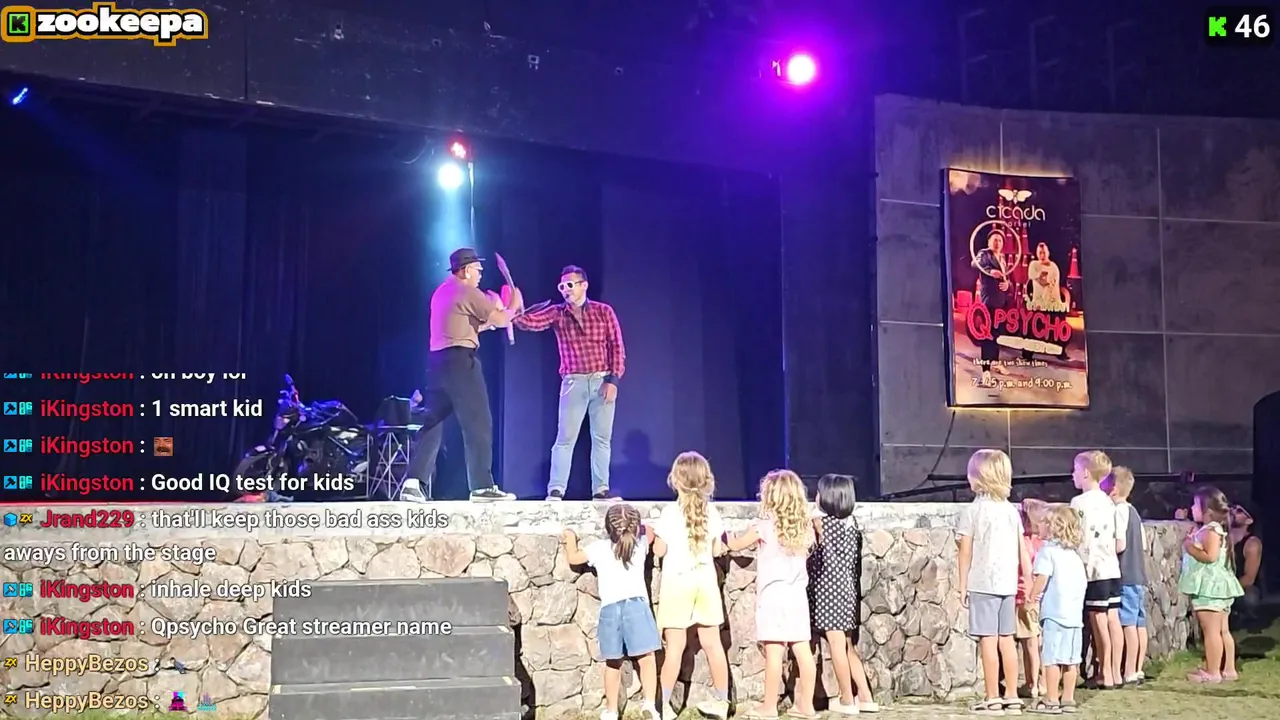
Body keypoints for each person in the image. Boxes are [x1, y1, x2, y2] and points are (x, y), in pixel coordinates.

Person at [410, 248, 520, 501]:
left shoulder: (441, 292)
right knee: (478, 421)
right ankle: (482, 486)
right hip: (461, 361)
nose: (481, 275)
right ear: (467, 270)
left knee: (433, 422)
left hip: (437, 363)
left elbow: (467, 325)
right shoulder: (468, 291)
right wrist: (513, 305)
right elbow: (501, 319)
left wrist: (490, 322)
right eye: (478, 270)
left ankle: (413, 483)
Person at [513, 265, 626, 501]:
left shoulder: (603, 312)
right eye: (562, 286)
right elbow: (532, 322)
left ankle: (601, 490)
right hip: (573, 382)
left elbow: (617, 347)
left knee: (602, 439)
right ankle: (556, 490)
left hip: (601, 381)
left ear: (584, 285)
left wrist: (613, 380)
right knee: (565, 439)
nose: (566, 290)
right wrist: (514, 313)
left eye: (570, 285)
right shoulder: (558, 313)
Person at [725, 470, 818, 720]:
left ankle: (769, 707)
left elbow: (735, 544)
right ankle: (806, 706)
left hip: (773, 597)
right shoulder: (806, 529)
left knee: (774, 653)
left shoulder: (763, 528)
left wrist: (723, 537)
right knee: (803, 651)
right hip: (797, 597)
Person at [649, 452, 731, 720]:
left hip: (677, 584)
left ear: (675, 480)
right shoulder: (712, 512)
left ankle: (664, 707)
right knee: (713, 644)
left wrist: (652, 537)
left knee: (675, 647)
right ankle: (721, 701)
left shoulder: (670, 513)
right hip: (705, 583)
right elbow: (717, 549)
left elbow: (659, 550)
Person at [560, 504, 660, 720]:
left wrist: (570, 537)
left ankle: (611, 710)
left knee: (613, 663)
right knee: (647, 658)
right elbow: (651, 531)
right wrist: (641, 529)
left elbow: (574, 558)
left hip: (610, 610)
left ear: (608, 527)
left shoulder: (599, 548)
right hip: (636, 606)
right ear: (635, 527)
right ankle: (650, 704)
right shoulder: (639, 544)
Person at [956, 449, 1031, 715]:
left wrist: (962, 585)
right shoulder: (1011, 511)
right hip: (1007, 585)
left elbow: (965, 552)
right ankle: (1011, 694)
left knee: (988, 640)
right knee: (1007, 639)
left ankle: (992, 696)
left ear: (979, 477)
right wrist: (1028, 578)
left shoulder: (973, 511)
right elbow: (1023, 549)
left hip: (982, 584)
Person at [807, 474, 878, 715]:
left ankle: (847, 698)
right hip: (846, 593)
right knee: (848, 646)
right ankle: (865, 697)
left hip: (829, 594)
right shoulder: (851, 525)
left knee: (837, 646)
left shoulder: (823, 525)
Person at [1068, 450, 1123, 688]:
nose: (1072, 475)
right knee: (1113, 619)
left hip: (1093, 570)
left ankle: (1105, 673)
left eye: (1075, 470)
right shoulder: (1109, 502)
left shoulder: (1079, 503)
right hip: (1111, 568)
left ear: (1086, 473)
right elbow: (1119, 540)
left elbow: (1077, 535)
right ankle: (1116, 672)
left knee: (1099, 622)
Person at [1179, 486, 1245, 684]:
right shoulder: (1214, 529)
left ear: (1207, 511)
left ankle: (1213, 671)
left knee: (1211, 631)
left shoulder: (1211, 531)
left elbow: (1210, 556)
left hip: (1210, 588)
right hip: (1219, 587)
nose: (1192, 508)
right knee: (1223, 630)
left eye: (1195, 505)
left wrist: (1189, 547)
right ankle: (1228, 669)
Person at [1026, 505, 1088, 714]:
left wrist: (1032, 597)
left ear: (1054, 527)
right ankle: (1068, 699)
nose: (1039, 525)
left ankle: (1051, 699)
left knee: (1051, 658)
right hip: (1074, 616)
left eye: (1044, 522)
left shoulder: (1047, 552)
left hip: (1054, 614)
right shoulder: (1074, 556)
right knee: (1070, 659)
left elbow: (1042, 578)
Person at [1103, 467, 1148, 685]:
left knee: (1128, 624)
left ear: (1112, 489)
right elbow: (1144, 545)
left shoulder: (1118, 511)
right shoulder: (1135, 513)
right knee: (1139, 623)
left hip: (1126, 575)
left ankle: (1129, 670)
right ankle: (1138, 668)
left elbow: (1120, 544)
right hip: (1138, 575)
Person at [1015, 498, 1048, 700]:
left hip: (1025, 596)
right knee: (1038, 642)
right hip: (1042, 597)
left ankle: (1032, 683)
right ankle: (1041, 682)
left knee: (1030, 643)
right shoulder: (1043, 543)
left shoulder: (1024, 543)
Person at [973, 231, 1012, 387]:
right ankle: (986, 371)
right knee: (987, 336)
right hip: (988, 300)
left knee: (997, 334)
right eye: (995, 240)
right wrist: (990, 271)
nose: (998, 243)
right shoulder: (984, 253)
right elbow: (974, 263)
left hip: (1001, 302)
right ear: (989, 242)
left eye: (1000, 240)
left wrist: (1007, 284)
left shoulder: (1002, 258)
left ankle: (995, 363)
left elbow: (1007, 278)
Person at [1229, 505, 1264, 615]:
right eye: (1233, 507)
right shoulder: (1221, 536)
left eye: (1239, 511)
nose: (1233, 511)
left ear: (1249, 520)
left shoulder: (1252, 543)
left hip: (1237, 588)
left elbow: (1249, 578)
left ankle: (1244, 614)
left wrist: (1225, 590)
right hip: (1220, 584)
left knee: (1250, 597)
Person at [1026, 242, 1064, 313]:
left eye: (1044, 252)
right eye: (1040, 253)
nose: (1042, 255)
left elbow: (1049, 284)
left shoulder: (1053, 267)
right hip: (1037, 305)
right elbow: (1033, 277)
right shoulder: (1033, 265)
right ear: (1037, 253)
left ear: (1048, 253)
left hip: (1052, 306)